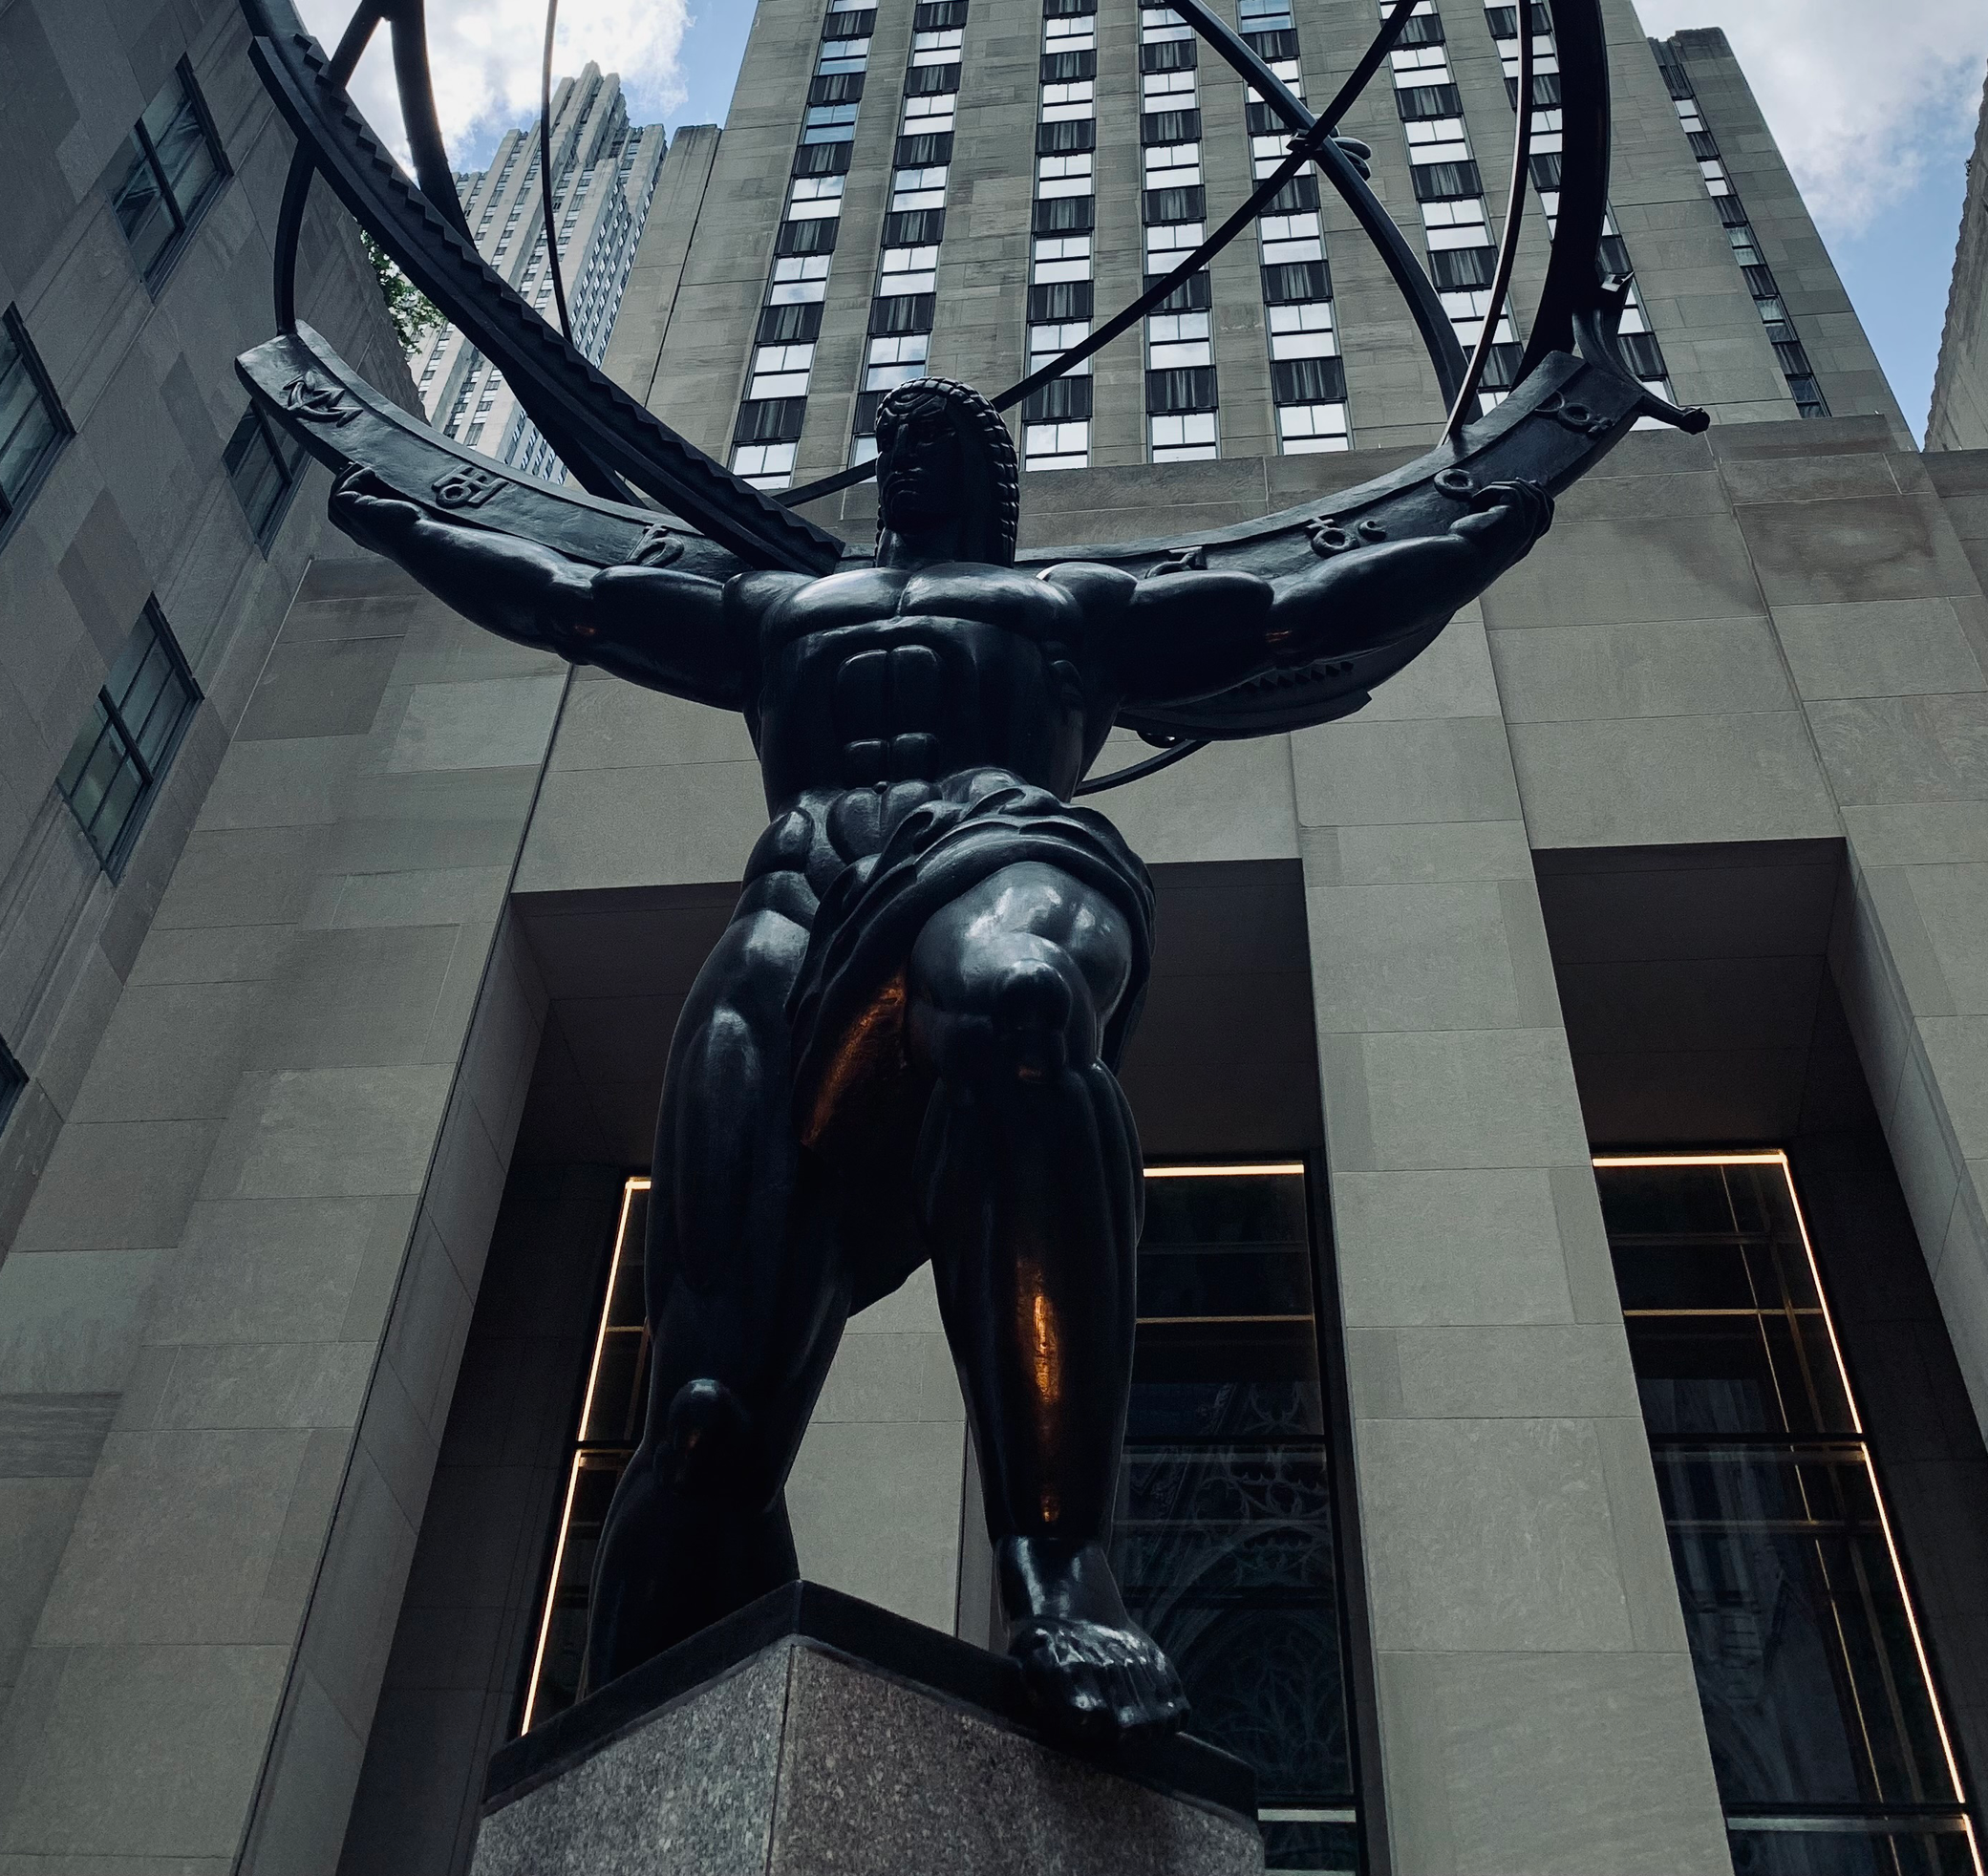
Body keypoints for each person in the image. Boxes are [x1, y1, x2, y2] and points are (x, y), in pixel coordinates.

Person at [331, 377, 1548, 1745]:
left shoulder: (1070, 605)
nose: (911, 457)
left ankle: (1056, 1562)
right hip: (793, 911)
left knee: (1018, 1001)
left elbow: (1296, 613)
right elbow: (571, 599)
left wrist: (1503, 515)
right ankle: (639, 1719)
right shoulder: (774, 609)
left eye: (943, 443)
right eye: (896, 442)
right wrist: (402, 529)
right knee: (709, 1413)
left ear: (993, 481)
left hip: (1002, 851)